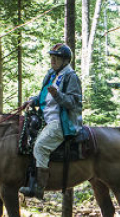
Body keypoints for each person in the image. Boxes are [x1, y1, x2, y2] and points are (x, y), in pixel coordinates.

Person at [19, 43, 83, 200]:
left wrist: (58, 95)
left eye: (56, 58)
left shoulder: (71, 76)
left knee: (40, 146)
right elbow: (44, 97)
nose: (52, 61)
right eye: (52, 57)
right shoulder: (51, 74)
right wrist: (32, 101)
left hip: (61, 121)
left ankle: (39, 187)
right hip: (45, 118)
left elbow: (73, 102)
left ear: (65, 61)